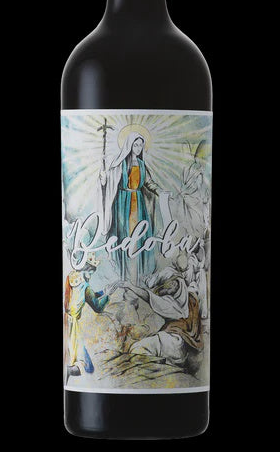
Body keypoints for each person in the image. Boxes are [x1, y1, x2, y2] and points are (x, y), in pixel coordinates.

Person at [118, 255, 203, 367]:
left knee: (136, 348)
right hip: (182, 346)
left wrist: (130, 286)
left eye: (167, 285)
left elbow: (148, 296)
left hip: (173, 343)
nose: (164, 290)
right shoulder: (191, 298)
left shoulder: (171, 303)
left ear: (175, 283)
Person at [99, 133, 162, 284]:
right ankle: (124, 277)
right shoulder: (120, 164)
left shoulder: (141, 164)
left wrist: (160, 191)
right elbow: (110, 180)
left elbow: (149, 183)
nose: (138, 148)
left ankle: (137, 277)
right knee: (125, 236)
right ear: (129, 145)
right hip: (122, 204)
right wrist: (104, 178)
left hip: (138, 204)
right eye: (136, 145)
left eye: (141, 145)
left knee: (138, 237)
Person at [64, 251, 120, 380]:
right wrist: (108, 295)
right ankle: (68, 372)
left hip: (66, 323)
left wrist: (102, 291)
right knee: (86, 365)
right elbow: (98, 308)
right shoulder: (85, 285)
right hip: (72, 327)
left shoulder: (71, 279)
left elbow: (89, 296)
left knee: (71, 358)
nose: (90, 276)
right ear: (85, 269)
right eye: (90, 272)